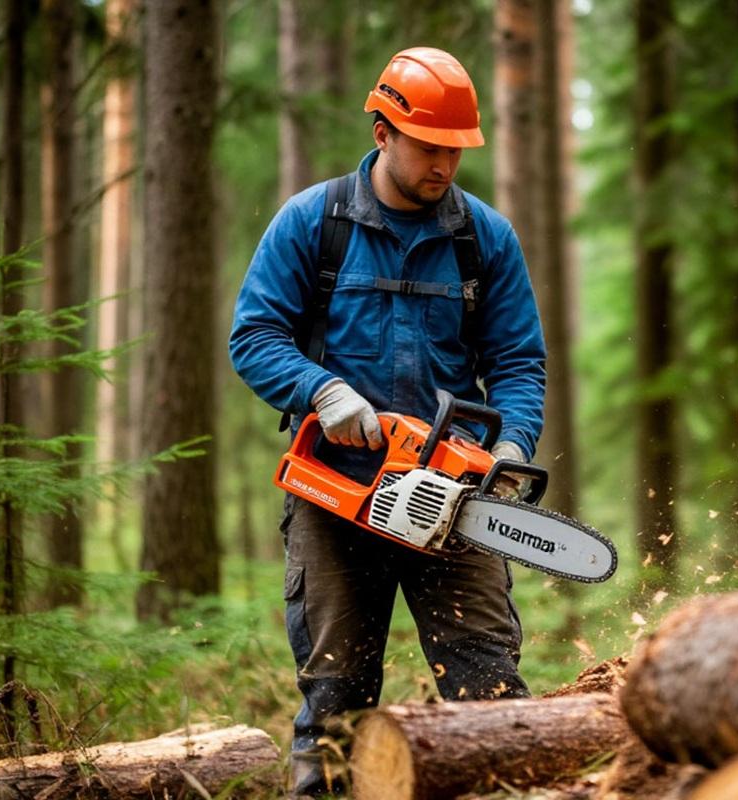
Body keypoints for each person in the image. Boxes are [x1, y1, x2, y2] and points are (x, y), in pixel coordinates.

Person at [229, 46, 546, 797]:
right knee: (336, 696)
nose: (444, 163)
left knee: (488, 686)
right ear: (383, 133)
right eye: (429, 146)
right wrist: (323, 392)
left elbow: (519, 363)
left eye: (454, 150)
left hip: (448, 498)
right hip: (338, 492)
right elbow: (254, 335)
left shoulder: (483, 238)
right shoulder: (314, 222)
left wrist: (509, 444)